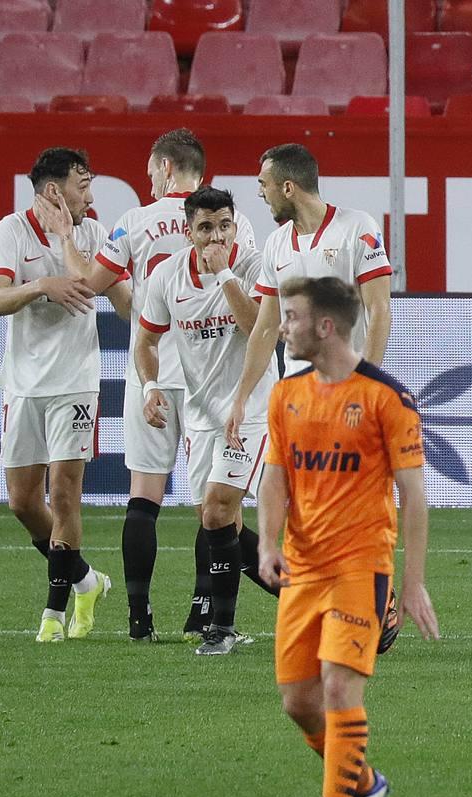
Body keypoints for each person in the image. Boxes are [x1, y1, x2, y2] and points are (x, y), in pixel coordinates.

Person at [256, 276, 440, 797]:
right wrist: (267, 543)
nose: (282, 327)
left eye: (291, 318)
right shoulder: (287, 396)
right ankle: (366, 785)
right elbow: (275, 477)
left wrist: (411, 585)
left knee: (339, 687)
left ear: (325, 326)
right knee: (299, 702)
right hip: (303, 571)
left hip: (362, 567)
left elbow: (413, 495)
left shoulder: (387, 398)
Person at [67, 128, 257, 642]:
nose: (148, 179)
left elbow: (90, 282)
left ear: (167, 167)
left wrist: (67, 237)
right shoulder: (233, 227)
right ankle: (202, 608)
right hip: (211, 375)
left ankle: (138, 616)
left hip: (153, 375)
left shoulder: (136, 222)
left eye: (151, 169)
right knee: (212, 507)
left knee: (145, 496)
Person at [0, 147, 128, 642]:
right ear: (53, 191)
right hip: (24, 384)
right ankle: (87, 580)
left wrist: (79, 261)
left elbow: (106, 294)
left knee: (64, 493)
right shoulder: (11, 231)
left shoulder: (94, 233)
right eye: (82, 184)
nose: (90, 194)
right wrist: (43, 284)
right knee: (23, 503)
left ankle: (53, 615)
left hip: (77, 382)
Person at [134, 187, 278, 656]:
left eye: (224, 226)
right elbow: (146, 343)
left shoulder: (255, 266)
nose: (216, 236)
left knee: (217, 509)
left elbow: (259, 328)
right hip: (200, 417)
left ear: (235, 226)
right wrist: (151, 386)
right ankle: (313, 596)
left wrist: (224, 276)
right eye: (205, 228)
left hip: (250, 409)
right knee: (221, 526)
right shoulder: (166, 276)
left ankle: (221, 628)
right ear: (188, 230)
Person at [223, 143, 393, 452]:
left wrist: (366, 384)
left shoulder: (357, 228)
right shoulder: (275, 244)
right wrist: (240, 398)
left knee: (348, 492)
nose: (261, 193)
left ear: (287, 188)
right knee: (295, 494)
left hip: (346, 389)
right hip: (296, 394)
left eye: (264, 184)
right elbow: (264, 329)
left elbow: (379, 309)